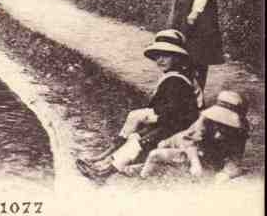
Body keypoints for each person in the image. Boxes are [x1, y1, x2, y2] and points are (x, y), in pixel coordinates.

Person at [76, 30, 200, 181]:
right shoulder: (175, 75)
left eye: (166, 56)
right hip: (171, 121)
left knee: (139, 139)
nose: (160, 60)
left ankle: (105, 170)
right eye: (157, 56)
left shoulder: (176, 80)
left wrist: (149, 122)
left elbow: (176, 113)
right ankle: (105, 160)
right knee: (136, 132)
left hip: (182, 128)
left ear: (177, 57)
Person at [137, 90, 248, 182]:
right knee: (156, 153)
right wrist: (195, 163)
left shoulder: (239, 131)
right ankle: (142, 177)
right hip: (184, 148)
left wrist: (225, 174)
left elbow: (235, 159)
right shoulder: (205, 120)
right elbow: (190, 142)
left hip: (208, 158)